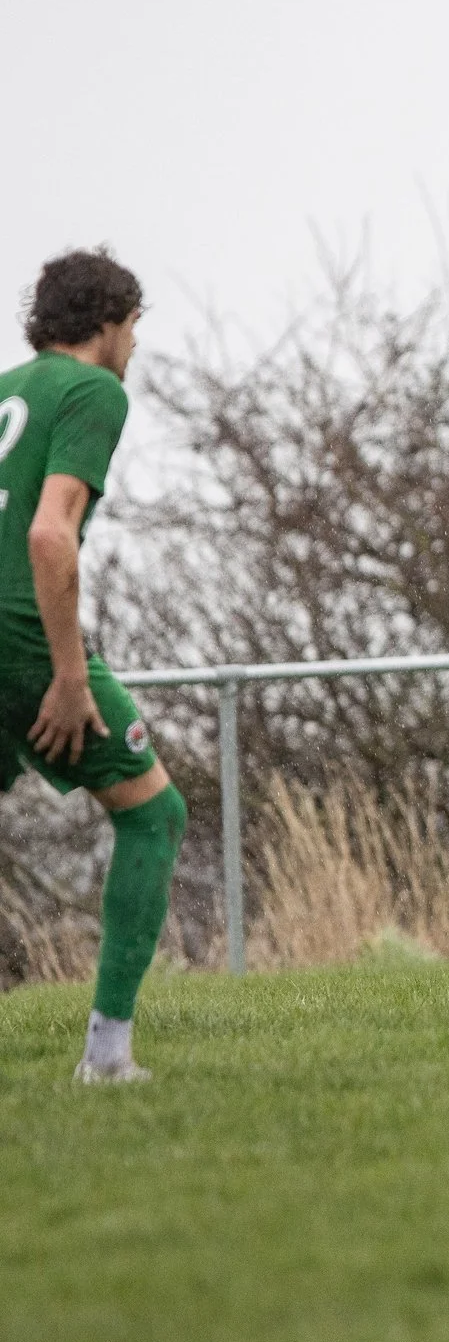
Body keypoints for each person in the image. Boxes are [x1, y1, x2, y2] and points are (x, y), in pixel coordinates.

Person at [0, 250, 187, 1084]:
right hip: (21, 638)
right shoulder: (93, 392)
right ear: (106, 324)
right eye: (134, 326)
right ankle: (108, 1057)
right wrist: (69, 679)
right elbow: (49, 535)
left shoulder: (7, 388)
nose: (136, 346)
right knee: (153, 816)